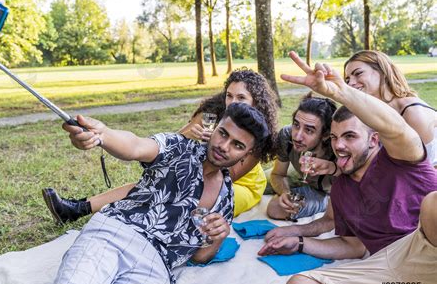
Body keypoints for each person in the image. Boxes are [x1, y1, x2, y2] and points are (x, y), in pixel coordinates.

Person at [259, 52, 437, 284]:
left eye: (349, 136)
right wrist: (299, 242)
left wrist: (339, 92)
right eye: (334, 137)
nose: (338, 145)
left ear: (374, 139)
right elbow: (352, 244)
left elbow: (396, 129)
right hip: (392, 271)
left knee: (433, 204)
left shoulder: (400, 158)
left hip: (428, 246)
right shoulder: (341, 187)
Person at [49, 103, 270, 284]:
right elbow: (135, 146)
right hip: (116, 234)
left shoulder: (226, 200)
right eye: (223, 133)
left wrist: (218, 237)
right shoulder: (179, 147)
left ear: (247, 155)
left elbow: (200, 256)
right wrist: (103, 135)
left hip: (156, 267)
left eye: (237, 145)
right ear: (216, 127)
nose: (224, 146)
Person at [42, 68, 279, 223]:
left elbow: (228, 176)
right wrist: (191, 134)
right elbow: (168, 144)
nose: (232, 102)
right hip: (197, 167)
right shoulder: (212, 114)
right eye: (229, 95)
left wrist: (214, 148)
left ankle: (78, 210)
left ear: (255, 101)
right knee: (155, 180)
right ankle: (78, 208)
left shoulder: (258, 134)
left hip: (236, 184)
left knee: (170, 187)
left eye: (241, 98)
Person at [266, 93, 337, 221]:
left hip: (327, 190)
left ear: (326, 135)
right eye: (296, 125)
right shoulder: (287, 136)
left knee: (275, 209)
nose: (297, 137)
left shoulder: (338, 149)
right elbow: (277, 174)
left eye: (309, 130)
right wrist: (285, 193)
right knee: (261, 181)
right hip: (299, 174)